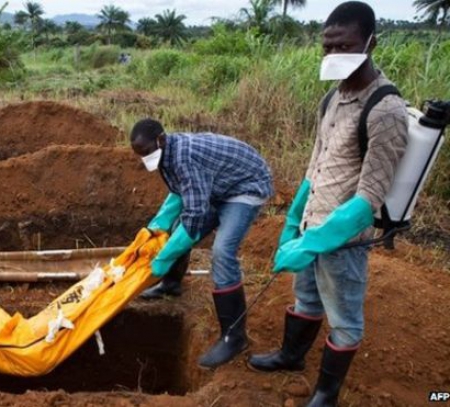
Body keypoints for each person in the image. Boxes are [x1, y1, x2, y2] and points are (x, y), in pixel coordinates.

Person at [248, 3, 408, 406]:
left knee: (345, 320)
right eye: (328, 46)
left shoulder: (385, 110)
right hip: (312, 224)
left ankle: (325, 395)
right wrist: (293, 223)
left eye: (346, 45)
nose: (335, 55)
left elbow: (369, 198)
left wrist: (314, 242)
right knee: (306, 298)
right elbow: (314, 166)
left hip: (342, 240)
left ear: (371, 42)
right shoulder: (332, 99)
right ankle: (290, 357)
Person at [131, 119, 273, 368]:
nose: (145, 158)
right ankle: (171, 285)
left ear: (161, 139)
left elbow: (195, 215)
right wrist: (156, 226)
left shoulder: (184, 158)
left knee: (222, 251)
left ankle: (233, 337)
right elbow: (179, 195)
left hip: (245, 187)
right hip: (218, 186)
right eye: (140, 155)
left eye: (147, 152)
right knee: (175, 230)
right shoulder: (167, 153)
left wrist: (163, 257)